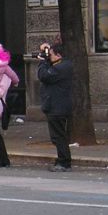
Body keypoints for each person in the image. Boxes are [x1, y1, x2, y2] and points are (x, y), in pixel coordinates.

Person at [38, 41, 73, 172]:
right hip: (56, 105)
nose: (49, 57)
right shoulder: (62, 65)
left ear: (58, 55)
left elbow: (43, 76)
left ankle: (64, 162)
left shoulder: (62, 67)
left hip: (57, 106)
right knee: (58, 136)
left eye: (51, 54)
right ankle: (62, 159)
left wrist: (42, 61)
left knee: (58, 136)